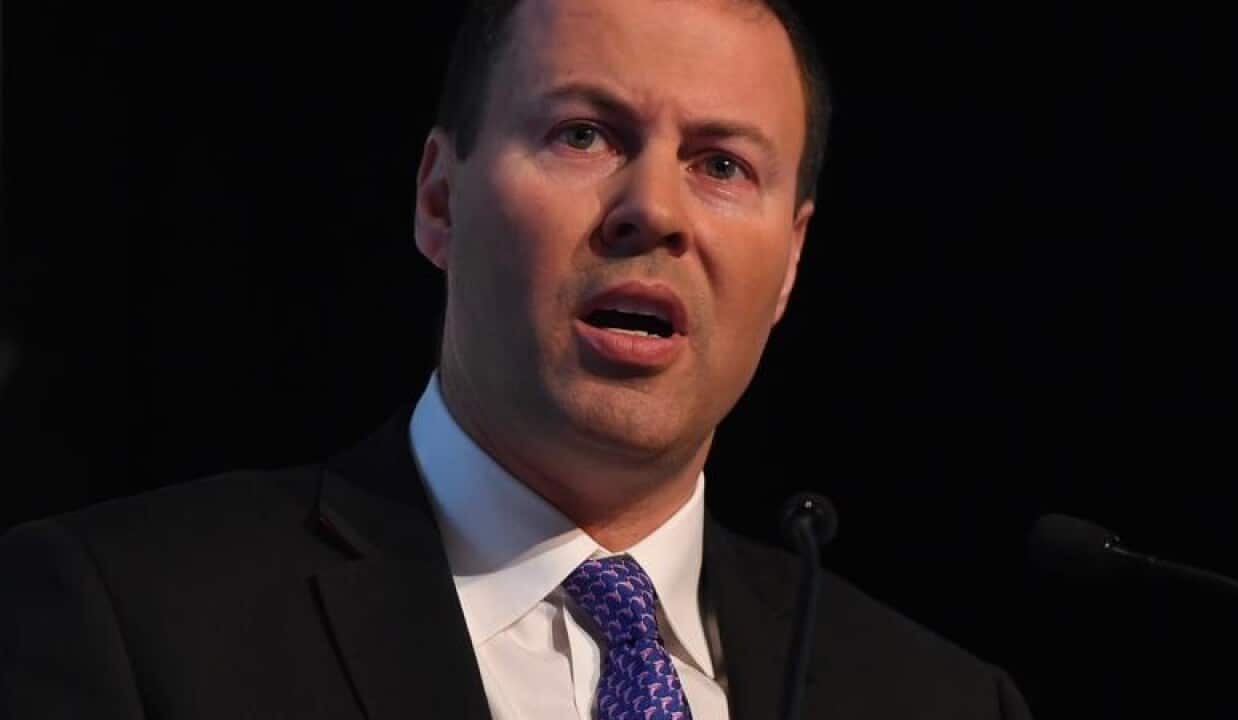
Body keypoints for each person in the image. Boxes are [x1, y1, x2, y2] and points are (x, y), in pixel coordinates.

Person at [0, 1, 1034, 718]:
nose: (653, 211)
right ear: (438, 200)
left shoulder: (942, 702)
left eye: (721, 164)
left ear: (790, 263)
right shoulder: (128, 618)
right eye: (584, 135)